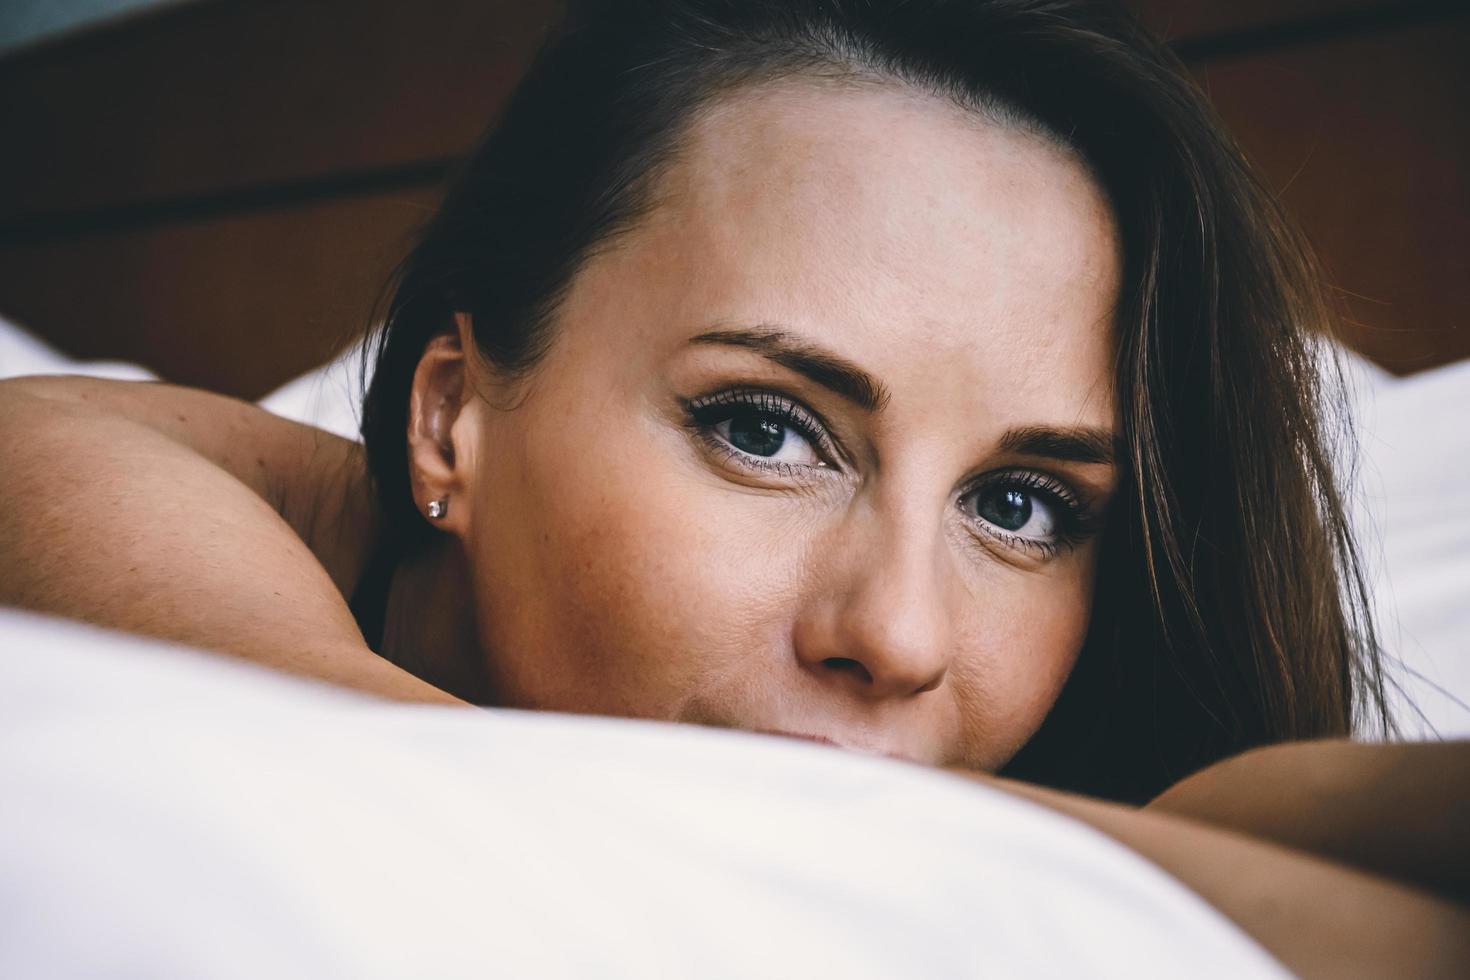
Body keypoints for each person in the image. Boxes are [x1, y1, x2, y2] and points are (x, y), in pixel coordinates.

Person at [1, 0, 1465, 970]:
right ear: (447, 411)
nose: (896, 635)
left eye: (1019, 506)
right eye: (766, 429)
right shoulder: (80, 464)